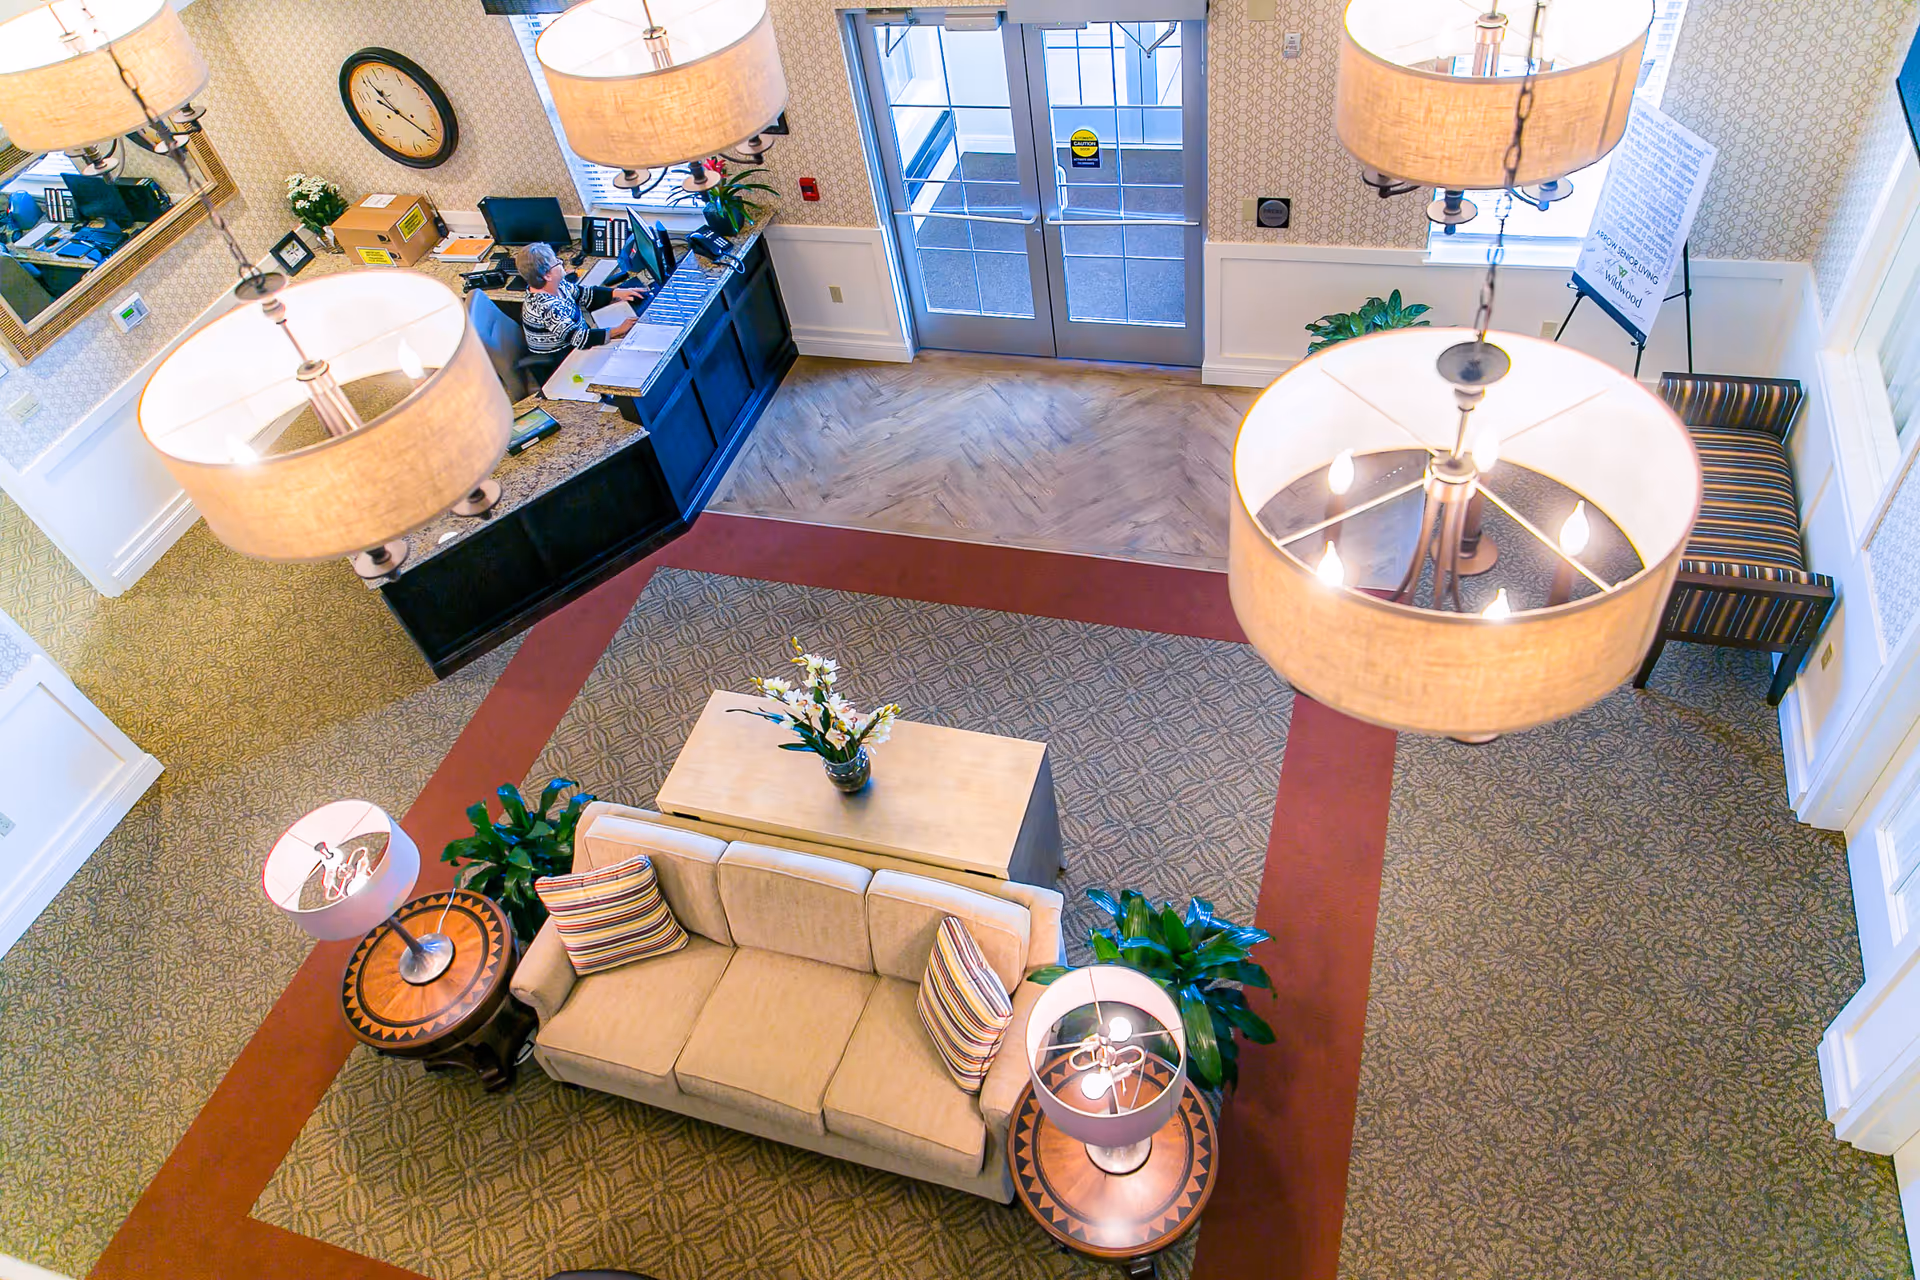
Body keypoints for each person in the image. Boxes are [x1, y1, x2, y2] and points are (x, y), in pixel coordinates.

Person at [513, 241, 644, 357]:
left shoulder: (554, 285)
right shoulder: (549, 308)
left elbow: (582, 294)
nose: (561, 263)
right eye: (557, 262)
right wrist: (618, 330)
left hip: (576, 335)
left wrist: (616, 293)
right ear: (547, 275)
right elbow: (579, 339)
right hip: (561, 354)